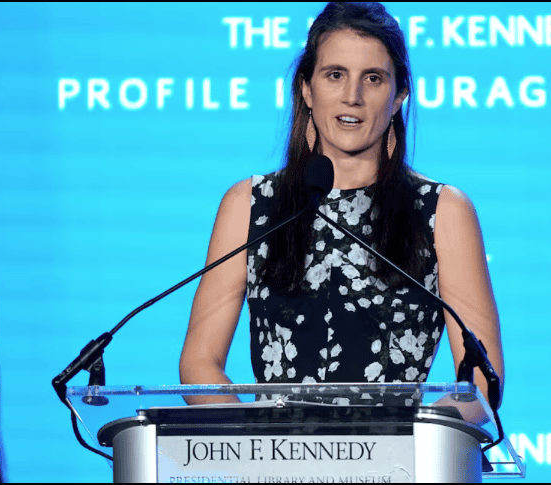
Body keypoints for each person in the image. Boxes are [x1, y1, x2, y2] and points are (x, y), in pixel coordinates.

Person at [179, 2, 504, 410]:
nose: (352, 97)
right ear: (307, 89)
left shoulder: (443, 211)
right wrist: (254, 441)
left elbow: (481, 379)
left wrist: (418, 441)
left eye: (373, 79)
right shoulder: (249, 205)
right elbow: (199, 363)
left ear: (400, 94)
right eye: (335, 75)